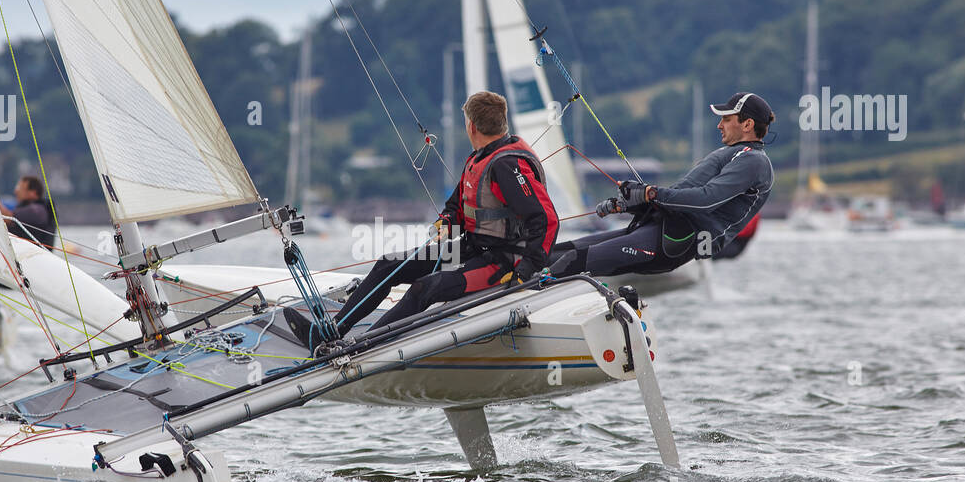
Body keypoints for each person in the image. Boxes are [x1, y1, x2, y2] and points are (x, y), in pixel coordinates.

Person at [284, 91, 559, 351]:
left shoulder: (506, 165)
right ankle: (331, 331)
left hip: (503, 263)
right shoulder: (480, 158)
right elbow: (456, 207)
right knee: (388, 265)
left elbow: (547, 221)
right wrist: (446, 223)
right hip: (472, 249)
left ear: (472, 127)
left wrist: (524, 272)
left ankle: (360, 347)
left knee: (423, 289)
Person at [550, 91, 775, 277]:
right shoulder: (731, 154)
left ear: (747, 124)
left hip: (676, 240)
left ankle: (534, 288)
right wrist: (629, 203)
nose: (719, 125)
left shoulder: (754, 161)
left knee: (571, 261)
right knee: (555, 254)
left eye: (726, 119)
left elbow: (706, 200)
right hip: (659, 227)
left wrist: (650, 193)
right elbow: (679, 193)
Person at [0, 175, 57, 249]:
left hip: (34, 254)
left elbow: (7, 218)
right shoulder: (28, 208)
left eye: (20, 188)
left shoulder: (37, 211)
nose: (16, 191)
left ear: (33, 193)